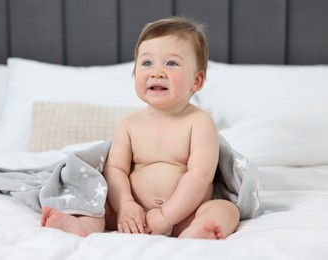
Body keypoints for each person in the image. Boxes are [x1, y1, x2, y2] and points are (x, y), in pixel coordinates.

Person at [41, 16, 240, 239]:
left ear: (197, 81)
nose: (157, 72)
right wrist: (125, 204)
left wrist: (167, 216)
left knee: (226, 210)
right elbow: (115, 170)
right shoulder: (129, 124)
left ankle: (198, 232)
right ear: (135, 74)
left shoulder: (199, 123)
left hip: (185, 215)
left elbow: (199, 176)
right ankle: (85, 227)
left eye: (171, 63)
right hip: (131, 217)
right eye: (147, 63)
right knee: (94, 204)